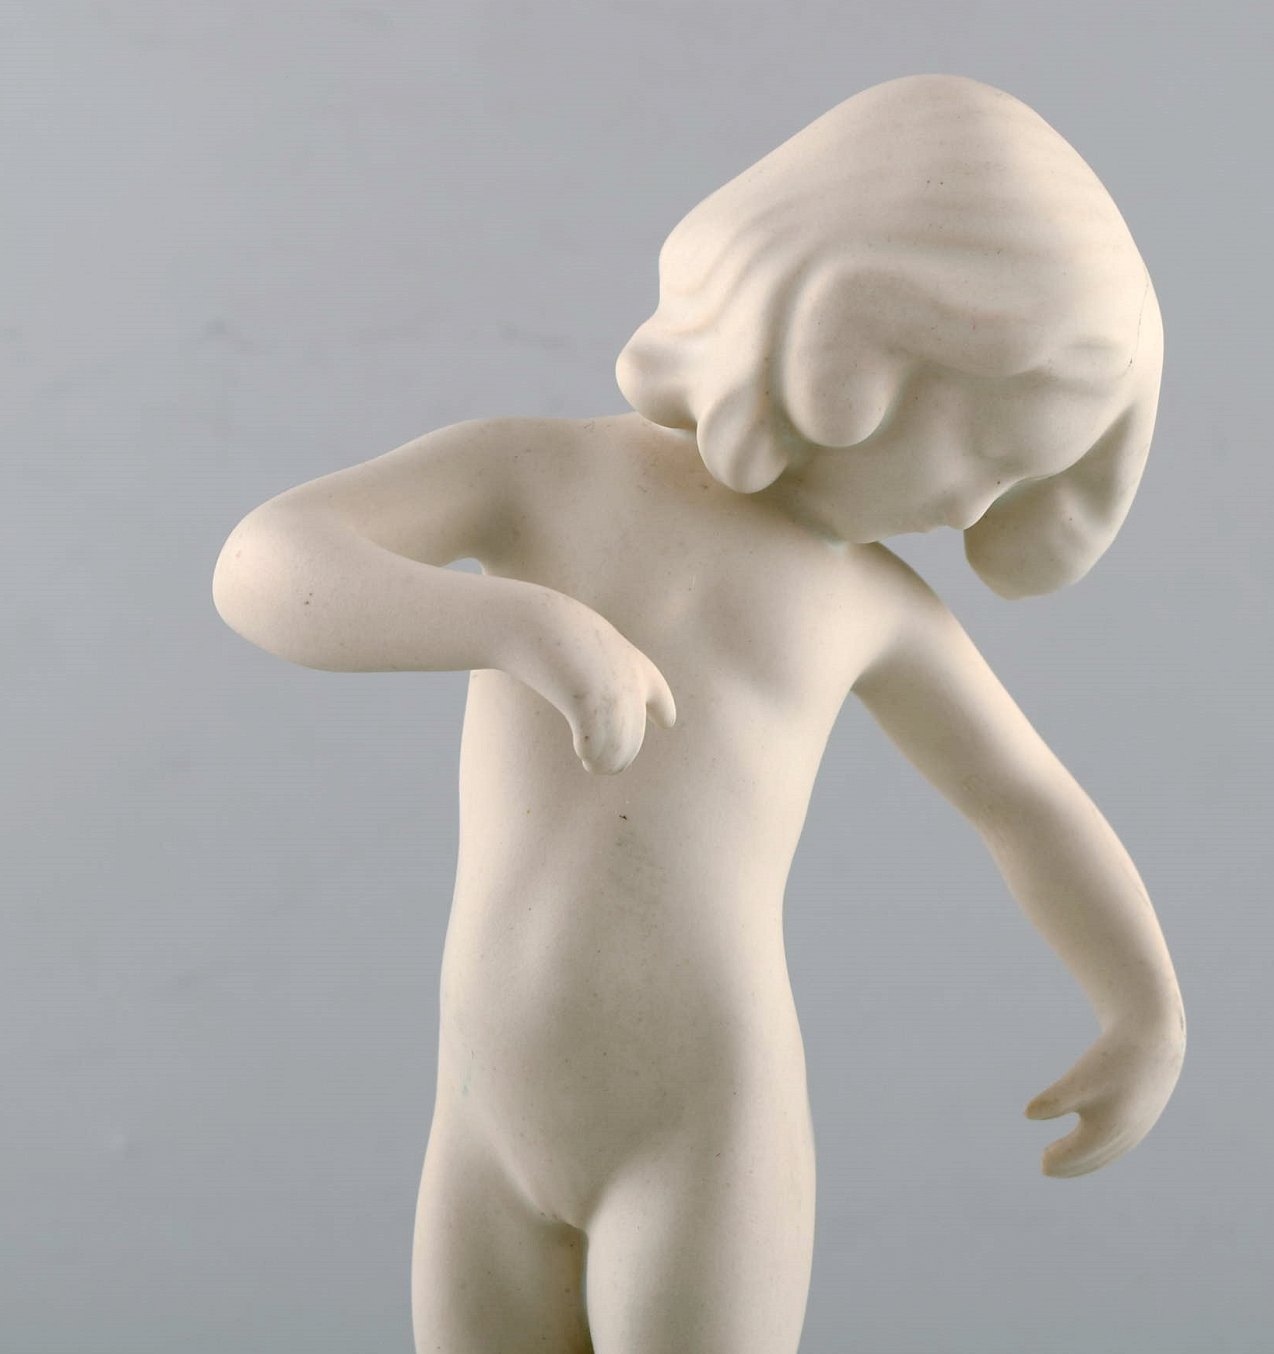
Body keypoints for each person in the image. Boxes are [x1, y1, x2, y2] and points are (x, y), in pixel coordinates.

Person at [213, 73, 1185, 1354]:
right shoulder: (537, 477)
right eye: (988, 454)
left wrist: (1144, 1007)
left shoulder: (869, 605)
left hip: (702, 1127)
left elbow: (1024, 800)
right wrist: (515, 623)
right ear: (864, 340)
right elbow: (268, 565)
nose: (972, 510)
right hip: (485, 1115)